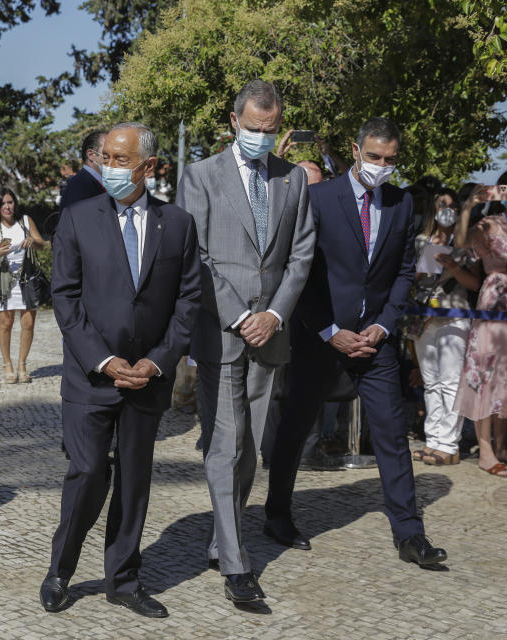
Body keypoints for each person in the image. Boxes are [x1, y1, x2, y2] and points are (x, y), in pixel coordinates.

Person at [266, 117, 449, 568]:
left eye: (390, 159)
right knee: (296, 427)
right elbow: (299, 270)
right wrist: (329, 330)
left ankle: (410, 533)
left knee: (391, 433)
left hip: (375, 341)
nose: (382, 166)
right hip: (320, 336)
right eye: (374, 157)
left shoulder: (403, 203)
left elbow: (403, 271)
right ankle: (276, 514)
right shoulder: (319, 197)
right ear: (355, 149)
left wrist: (384, 327)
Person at [40, 122, 200, 618]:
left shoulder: (177, 224)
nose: (107, 167)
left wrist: (157, 361)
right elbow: (63, 298)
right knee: (87, 472)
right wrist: (104, 360)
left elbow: (189, 300)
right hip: (91, 376)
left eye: (118, 159)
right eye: (104, 157)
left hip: (147, 379)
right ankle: (60, 570)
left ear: (149, 167)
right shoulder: (78, 218)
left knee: (134, 479)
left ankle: (123, 579)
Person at [178, 79, 315, 605]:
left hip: (271, 333)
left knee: (250, 448)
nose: (263, 136)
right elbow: (199, 258)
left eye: (271, 129)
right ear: (234, 121)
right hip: (220, 332)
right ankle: (236, 565)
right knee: (225, 442)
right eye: (255, 128)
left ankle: (222, 534)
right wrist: (241, 316)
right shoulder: (201, 176)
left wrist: (275, 314)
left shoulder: (293, 180)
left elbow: (301, 254)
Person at [453, 167, 507, 477]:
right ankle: (485, 449)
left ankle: (502, 445)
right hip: (493, 300)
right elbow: (460, 242)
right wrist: (469, 207)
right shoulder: (489, 224)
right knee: (485, 375)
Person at [410, 189, 480, 465]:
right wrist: (423, 264)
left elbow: (475, 284)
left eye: (452, 206)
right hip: (424, 317)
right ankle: (433, 441)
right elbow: (409, 277)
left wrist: (453, 264)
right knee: (431, 382)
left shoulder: (467, 244)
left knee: (451, 382)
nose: (446, 210)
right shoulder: (420, 240)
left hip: (455, 316)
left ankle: (449, 445)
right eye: (442, 204)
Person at [0, 188, 47, 384]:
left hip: (27, 280)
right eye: (2, 204)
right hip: (5, 282)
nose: (7, 207)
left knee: (28, 324)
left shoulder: (25, 221)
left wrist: (32, 242)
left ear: (14, 204)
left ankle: (22, 365)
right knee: (6, 324)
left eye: (10, 202)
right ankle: (7, 364)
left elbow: (41, 244)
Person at [58, 130, 107, 211]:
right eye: (107, 154)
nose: (114, 158)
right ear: (91, 155)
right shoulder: (79, 186)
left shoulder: (98, 183)